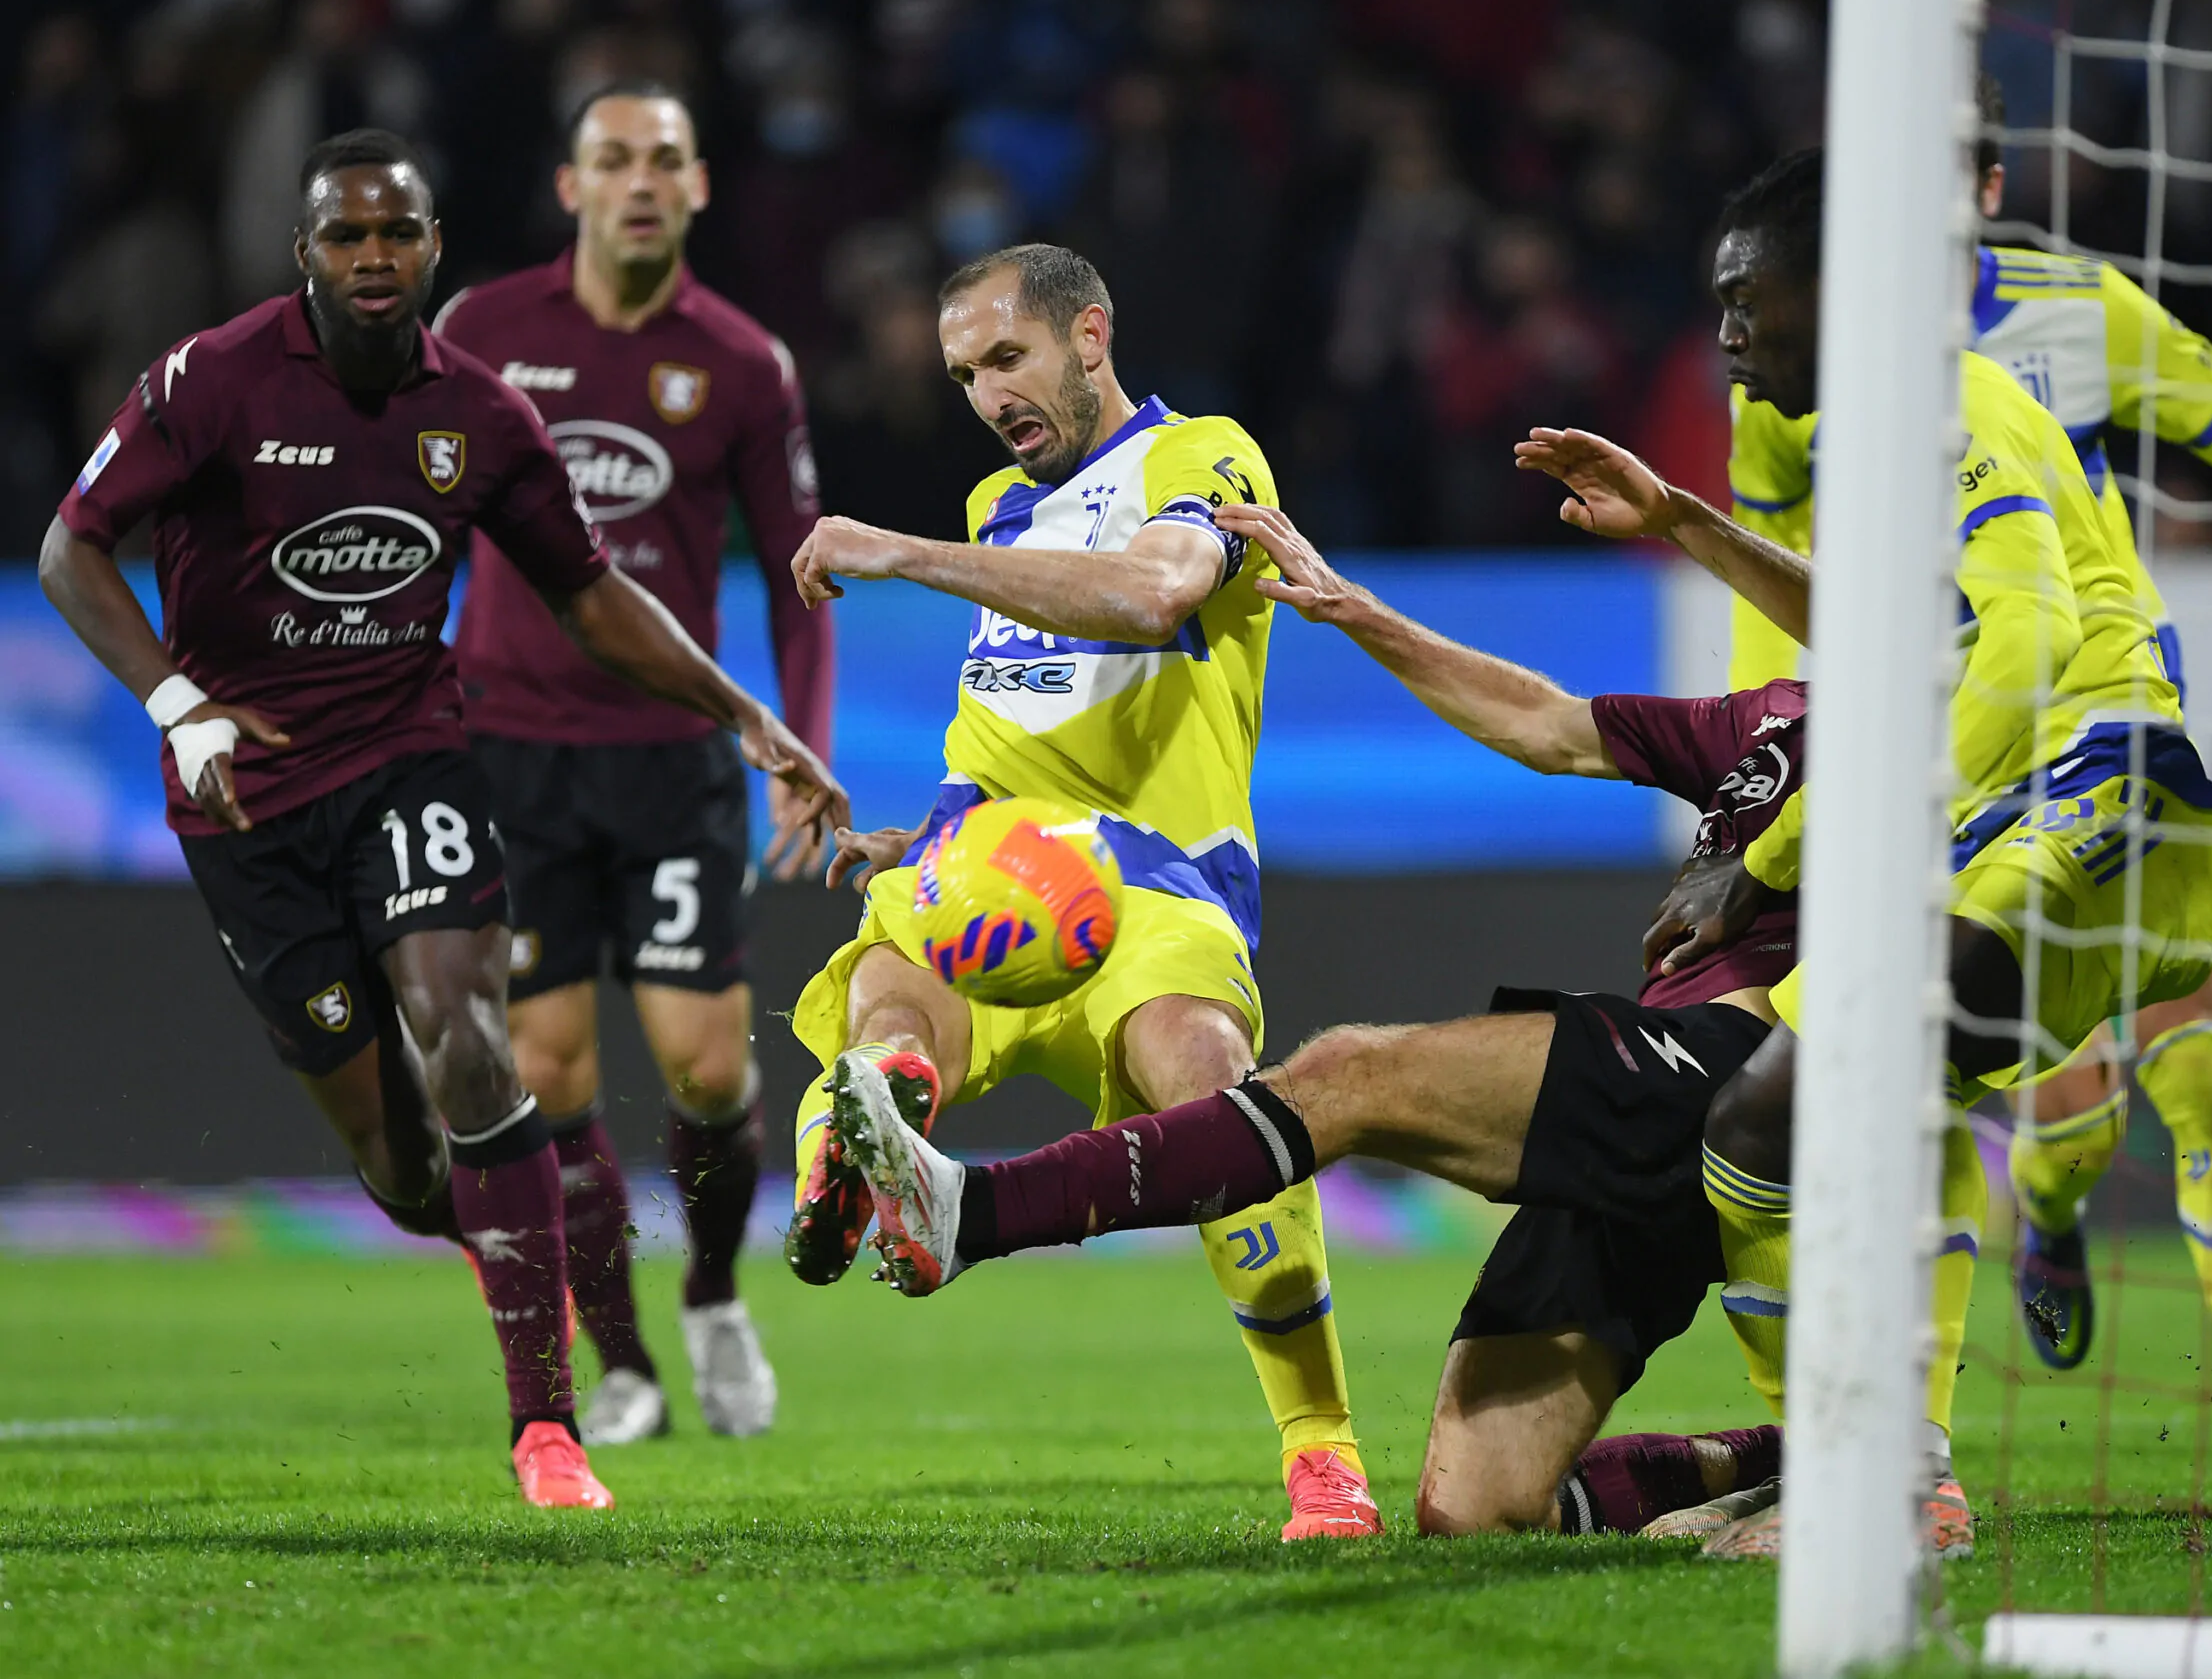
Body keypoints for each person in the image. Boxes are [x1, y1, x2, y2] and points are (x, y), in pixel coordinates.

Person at [38, 129, 847, 1510]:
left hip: (413, 760)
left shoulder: (481, 413)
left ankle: (548, 1427)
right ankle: (502, 1242)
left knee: (472, 1041)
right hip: (245, 802)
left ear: (430, 251)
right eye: (344, 236)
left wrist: (741, 709)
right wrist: (180, 702)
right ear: (304, 252)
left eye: (394, 235)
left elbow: (592, 592)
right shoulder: (212, 379)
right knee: (403, 1166)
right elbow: (71, 546)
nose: (371, 257)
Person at [816, 500, 1839, 1547]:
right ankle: (1812, 1457)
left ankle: (969, 1212)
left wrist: (1760, 869)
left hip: (1744, 1069)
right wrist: (1355, 611)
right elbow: (1545, 723)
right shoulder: (1762, 718)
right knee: (1478, 1513)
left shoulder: (1921, 723)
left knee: (1350, 1074)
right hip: (1662, 1129)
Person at [1514, 142, 2212, 1551]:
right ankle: (1875, 1466)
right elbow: (1908, 630)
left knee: (1794, 1104)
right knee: (1816, 1107)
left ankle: (1881, 1483)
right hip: (2067, 825)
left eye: (1746, 298)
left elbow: (2029, 645)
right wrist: (1688, 524)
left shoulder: (1946, 400)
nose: (1724, 331)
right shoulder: (1893, 424)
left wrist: (1782, 858)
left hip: (2104, 803)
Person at [1719, 77, 2212, 1478]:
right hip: (1951, 762)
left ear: (1987, 191)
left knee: (2194, 1066)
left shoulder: (2075, 316)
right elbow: (1768, 572)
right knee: (2005, 1110)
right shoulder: (1799, 365)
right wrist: (1761, 762)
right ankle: (1922, 1426)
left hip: (2098, 734)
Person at [781, 244, 1376, 1540]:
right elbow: (1000, 714)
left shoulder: (1203, 456)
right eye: (963, 374)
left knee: (1213, 1089)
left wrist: (901, 552)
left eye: (1008, 357)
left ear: (1089, 334)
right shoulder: (1001, 503)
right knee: (889, 995)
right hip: (991, 861)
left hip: (1153, 879)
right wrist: (925, 835)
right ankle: (867, 1137)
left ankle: (1321, 1450)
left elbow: (1158, 589)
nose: (989, 393)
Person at [432, 83, 831, 1446]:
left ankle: (715, 1288)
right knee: (542, 1066)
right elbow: (415, 511)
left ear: (700, 187)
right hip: (510, 756)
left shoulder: (741, 360)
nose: (640, 181)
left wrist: (798, 741)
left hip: (669, 755)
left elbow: (799, 574)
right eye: (615, 159)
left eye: (664, 159)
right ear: (572, 186)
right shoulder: (482, 332)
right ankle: (628, 1365)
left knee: (707, 1066)